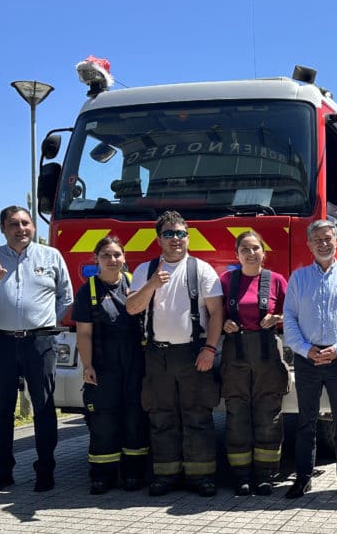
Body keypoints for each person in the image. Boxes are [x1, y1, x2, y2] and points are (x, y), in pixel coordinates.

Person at [0, 205, 73, 493]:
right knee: (1, 411)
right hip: (2, 342)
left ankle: (45, 471)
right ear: (3, 228)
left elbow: (66, 296)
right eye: (14, 224)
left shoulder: (50, 256)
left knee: (44, 407)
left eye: (26, 223)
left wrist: (46, 321)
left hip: (39, 342)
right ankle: (2, 472)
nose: (21, 229)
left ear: (33, 227)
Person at [127, 211, 224, 497]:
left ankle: (202, 476)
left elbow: (217, 313)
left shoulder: (202, 270)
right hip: (157, 356)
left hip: (194, 354)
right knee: (161, 417)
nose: (176, 239)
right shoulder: (146, 271)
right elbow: (132, 307)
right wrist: (152, 285)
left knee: (198, 416)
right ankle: (166, 476)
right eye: (169, 234)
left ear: (188, 237)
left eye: (181, 233)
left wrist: (210, 349)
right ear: (158, 239)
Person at [282, 220, 337, 500]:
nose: (323, 243)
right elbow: (290, 319)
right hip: (307, 358)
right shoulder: (298, 278)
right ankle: (303, 478)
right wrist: (305, 349)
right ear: (309, 244)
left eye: (328, 238)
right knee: (306, 422)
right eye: (316, 238)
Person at [72, 236, 149, 495]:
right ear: (97, 259)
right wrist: (87, 365)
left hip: (134, 360)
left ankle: (133, 473)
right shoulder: (88, 290)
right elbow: (83, 333)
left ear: (124, 258)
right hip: (104, 363)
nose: (112, 260)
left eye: (117, 255)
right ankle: (102, 476)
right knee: (103, 419)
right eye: (106, 255)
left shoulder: (133, 285)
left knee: (134, 417)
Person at [219, 230, 289, 496]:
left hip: (267, 351)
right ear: (236, 255)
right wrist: (224, 322)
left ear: (264, 253)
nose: (250, 254)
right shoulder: (226, 281)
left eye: (255, 248)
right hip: (235, 353)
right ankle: (241, 475)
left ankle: (265, 475)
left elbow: (292, 314)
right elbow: (212, 313)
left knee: (268, 414)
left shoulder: (277, 281)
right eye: (244, 249)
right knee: (237, 413)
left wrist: (278, 317)